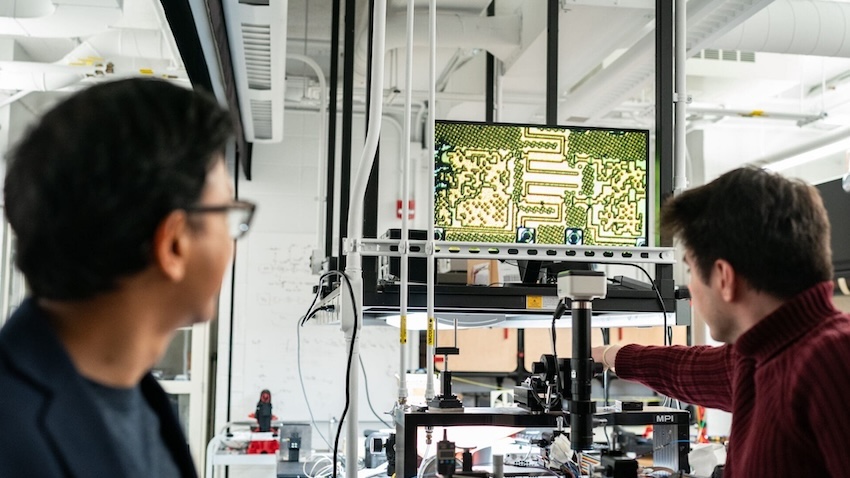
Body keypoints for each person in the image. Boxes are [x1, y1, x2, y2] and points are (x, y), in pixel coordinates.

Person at [0, 78, 255, 477]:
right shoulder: (13, 435)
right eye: (227, 215)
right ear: (173, 244)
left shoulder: (140, 398)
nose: (232, 241)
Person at [592, 166, 850, 477]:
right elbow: (683, 369)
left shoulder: (833, 359)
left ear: (724, 278)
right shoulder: (758, 357)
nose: (691, 289)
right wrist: (607, 354)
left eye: (691, 271)